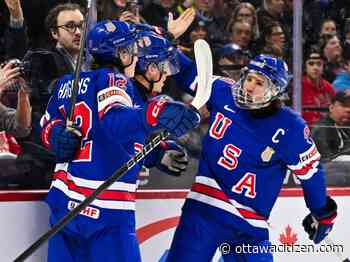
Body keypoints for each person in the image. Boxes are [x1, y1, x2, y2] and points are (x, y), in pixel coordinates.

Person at [40, 20, 200, 262]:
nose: (166, 74)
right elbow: (116, 124)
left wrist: (156, 153)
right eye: (133, 52)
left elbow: (47, 124)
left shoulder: (68, 82)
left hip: (64, 207)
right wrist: (153, 113)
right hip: (106, 213)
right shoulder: (117, 82)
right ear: (123, 54)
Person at [166, 54, 337, 261]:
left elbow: (311, 173)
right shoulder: (222, 91)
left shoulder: (290, 127)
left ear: (275, 91)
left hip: (249, 225)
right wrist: (168, 42)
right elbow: (186, 71)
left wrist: (321, 212)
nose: (249, 87)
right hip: (205, 210)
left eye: (259, 83)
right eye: (249, 78)